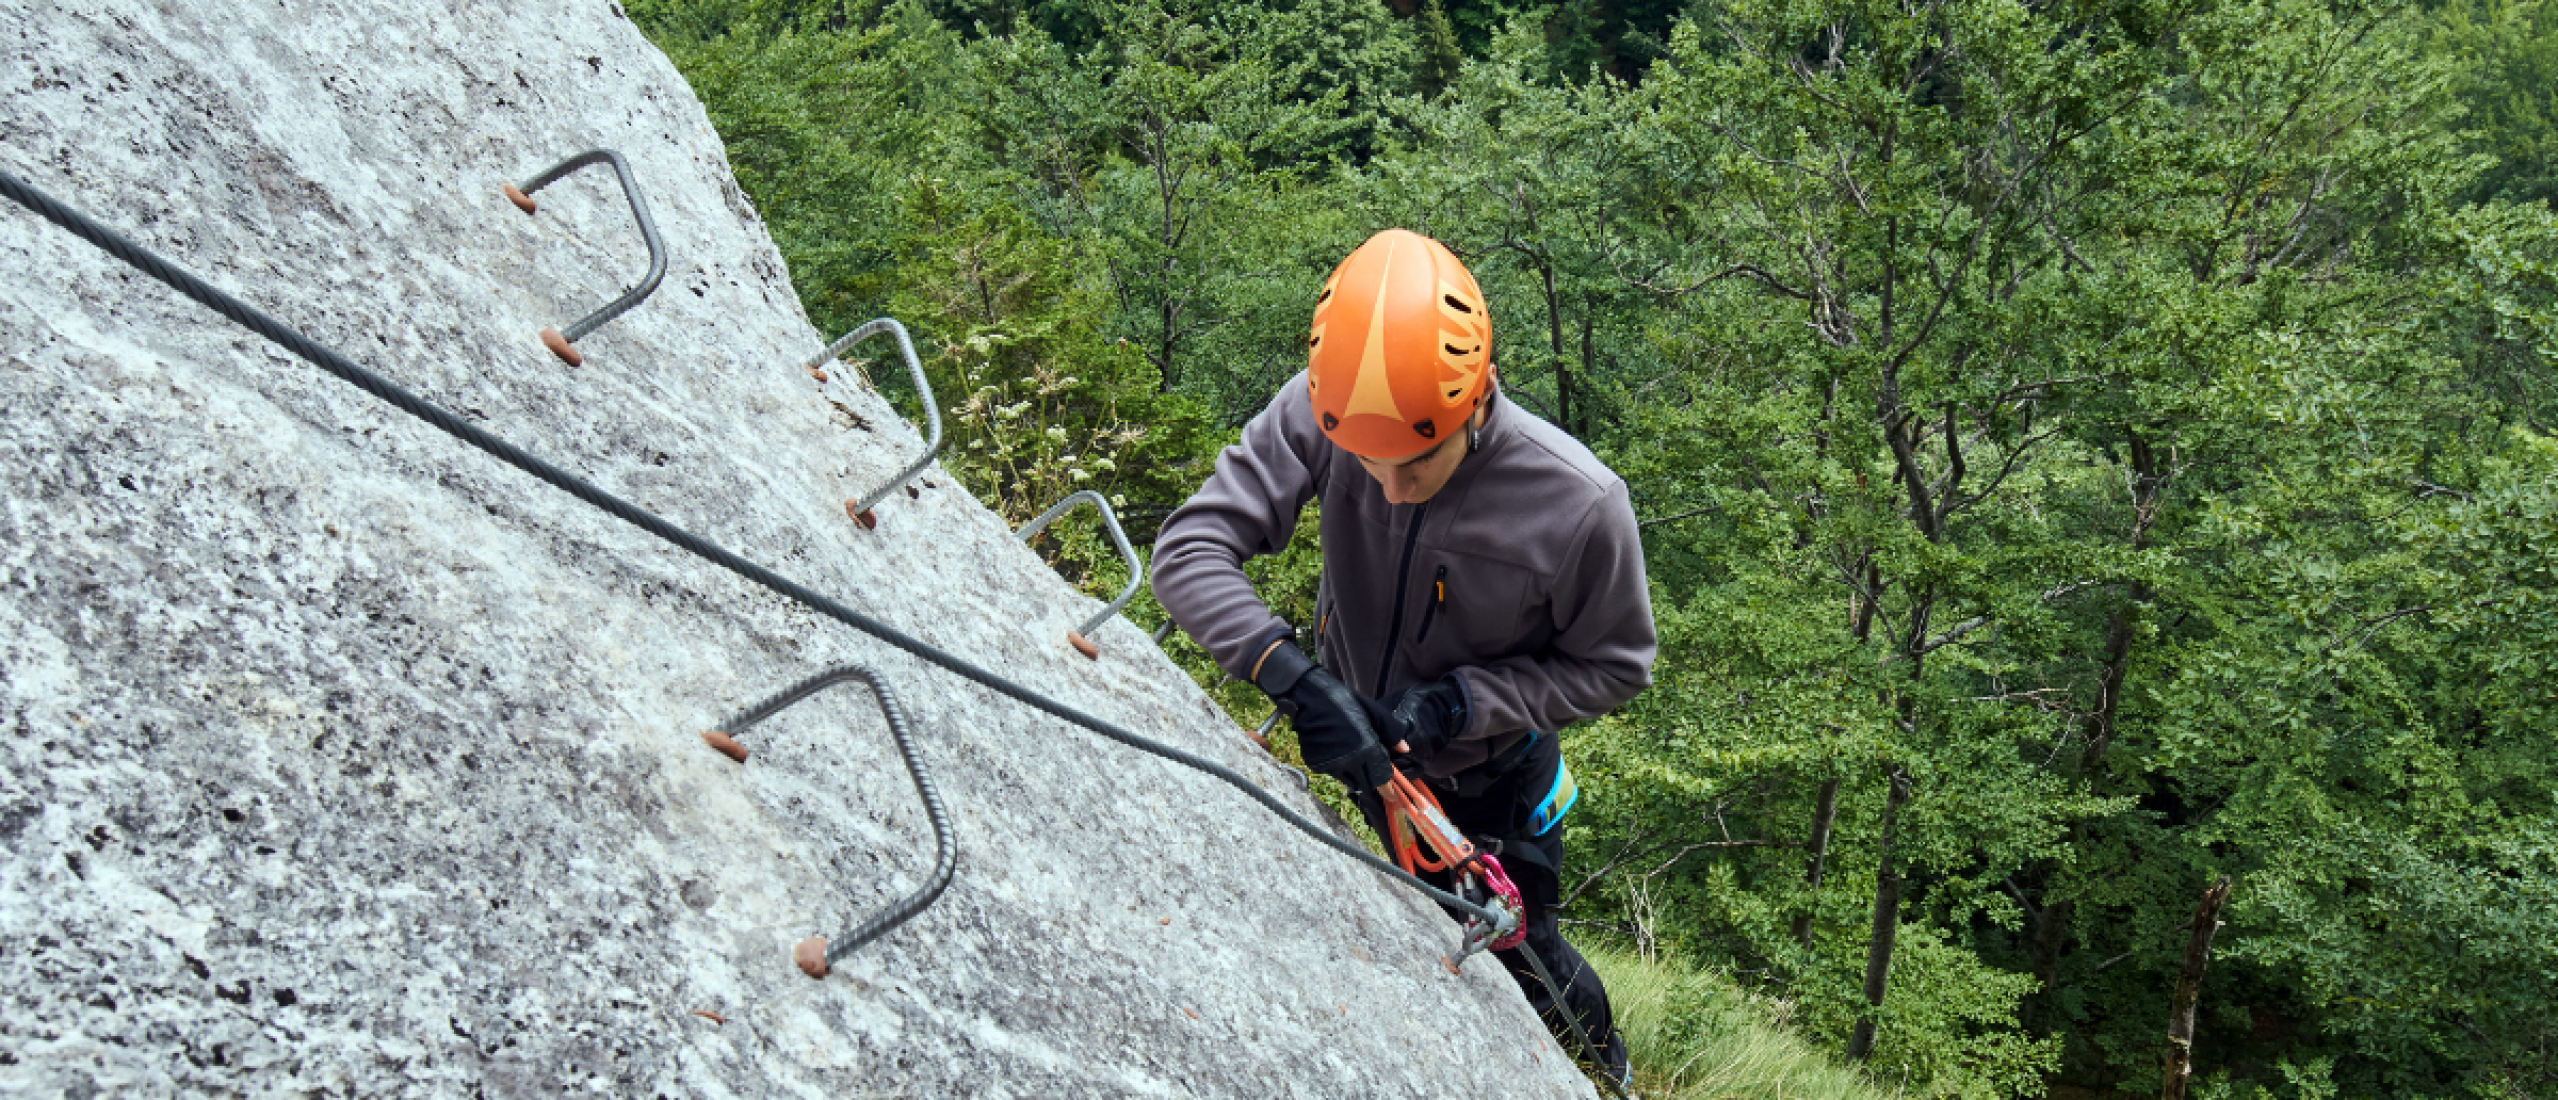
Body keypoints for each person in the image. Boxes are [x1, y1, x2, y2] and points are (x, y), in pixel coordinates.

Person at [1151, 227, 1655, 1084]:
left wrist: (1464, 703)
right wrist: (1294, 678)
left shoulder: (1577, 506)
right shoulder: (1326, 407)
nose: (1385, 487)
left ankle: (1599, 1069)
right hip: (1357, 741)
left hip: (1488, 783)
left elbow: (1616, 666)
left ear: (1480, 396)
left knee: (1521, 961)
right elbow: (1188, 550)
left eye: (1415, 465)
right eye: (1364, 461)